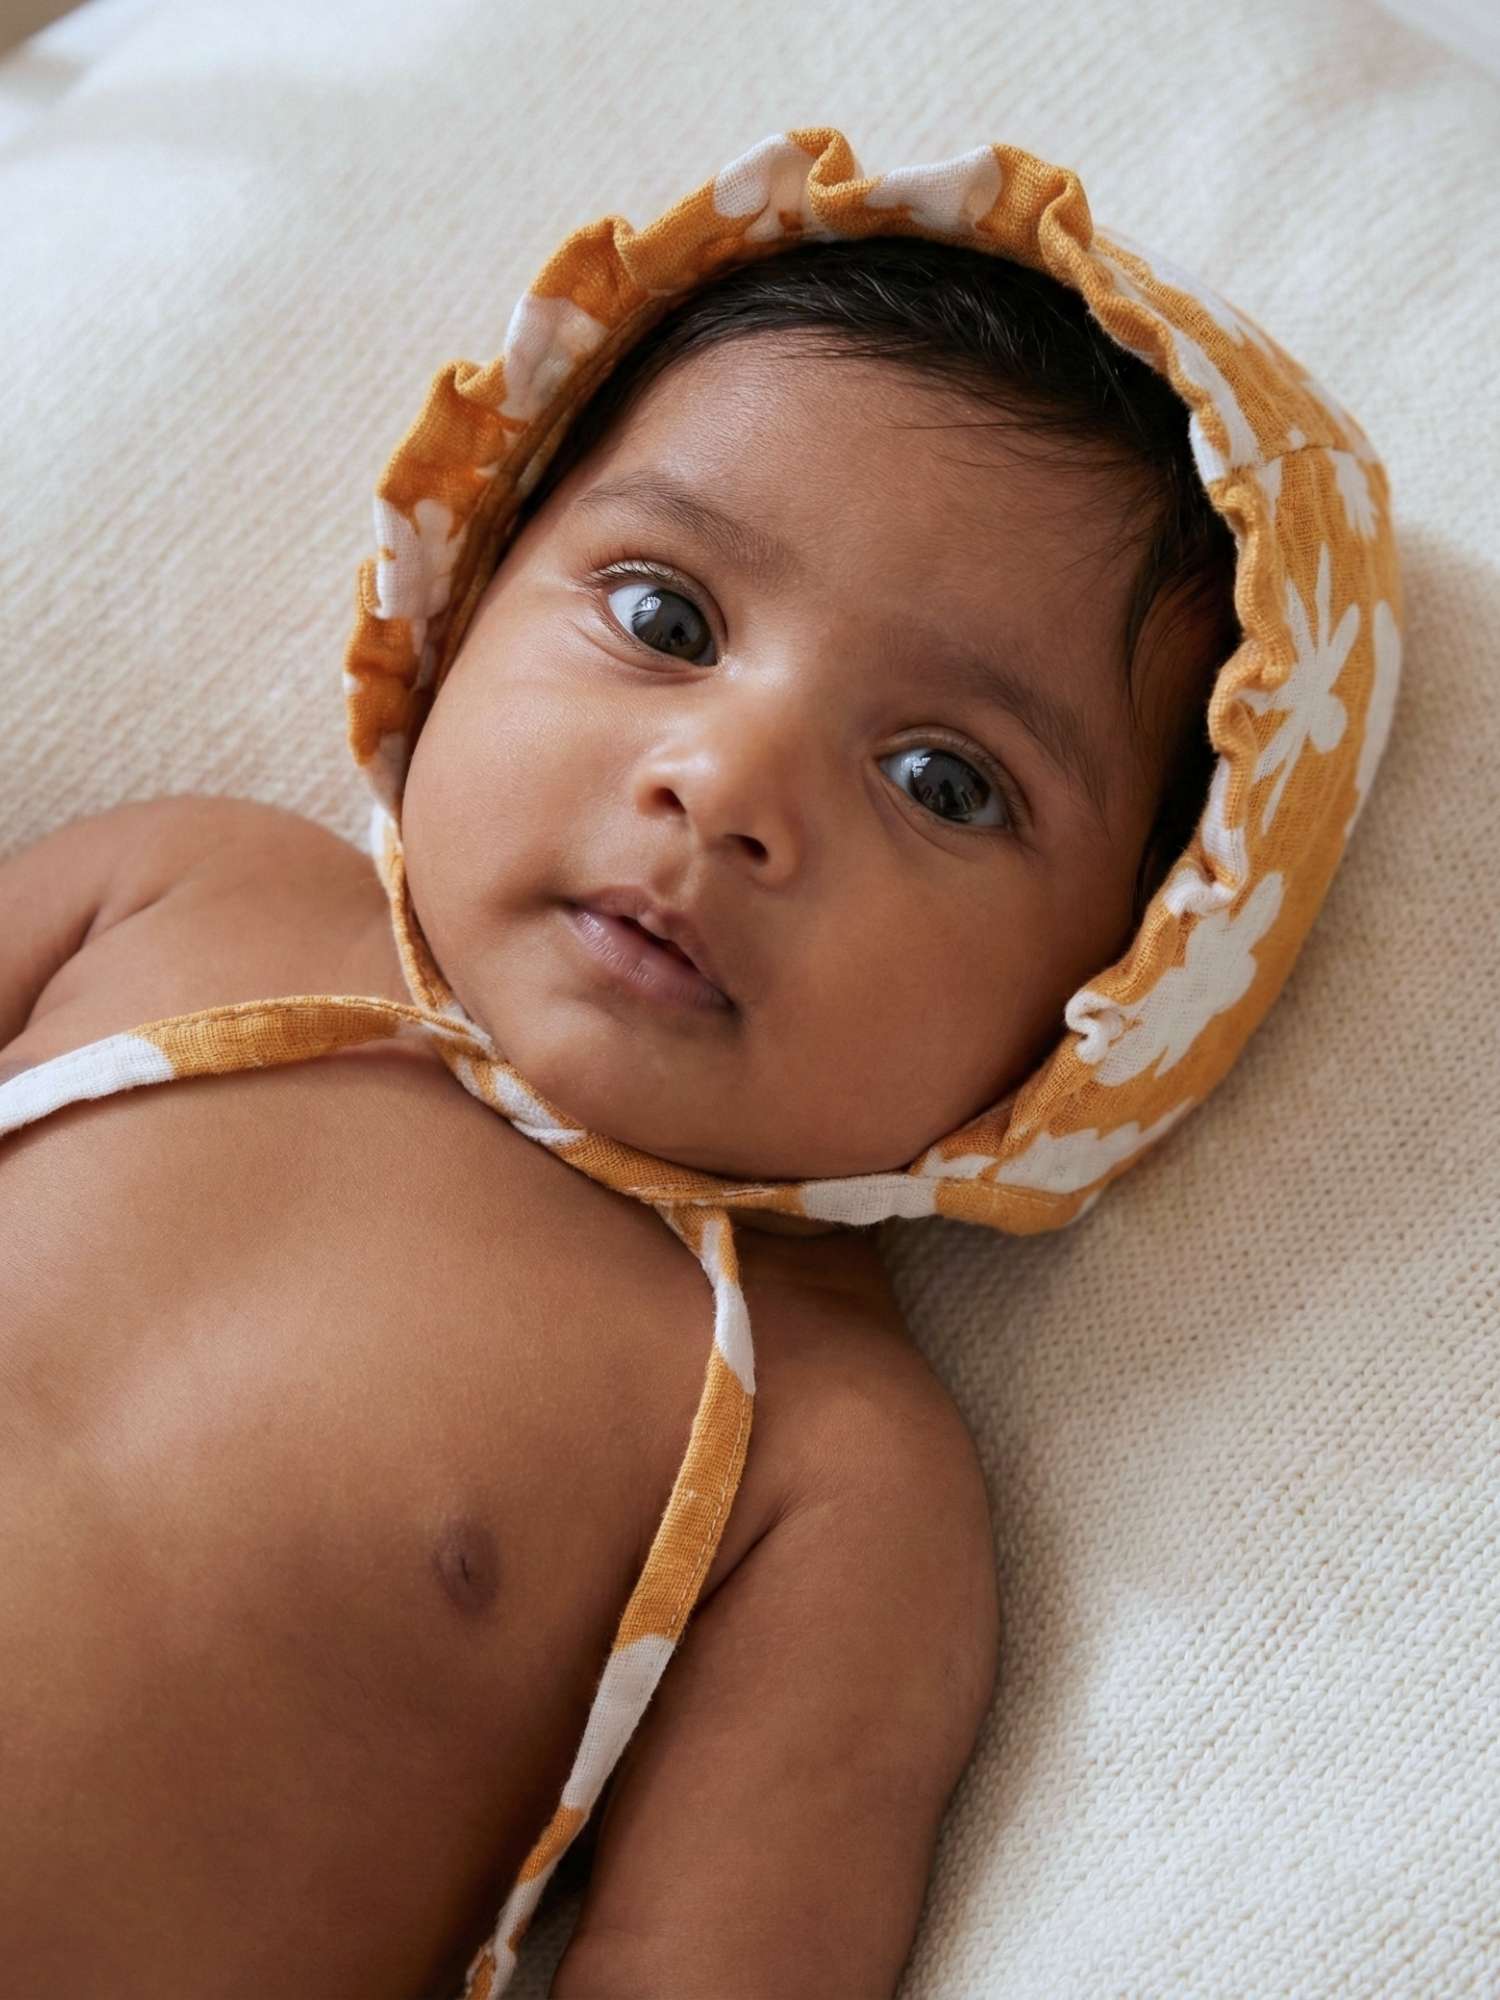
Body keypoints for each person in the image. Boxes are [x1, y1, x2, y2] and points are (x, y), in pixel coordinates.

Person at [0, 130, 1400, 2000]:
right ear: (476, 582)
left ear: (1129, 976)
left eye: (944, 781)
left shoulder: (825, 1472)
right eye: (665, 618)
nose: (726, 790)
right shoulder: (181, 884)